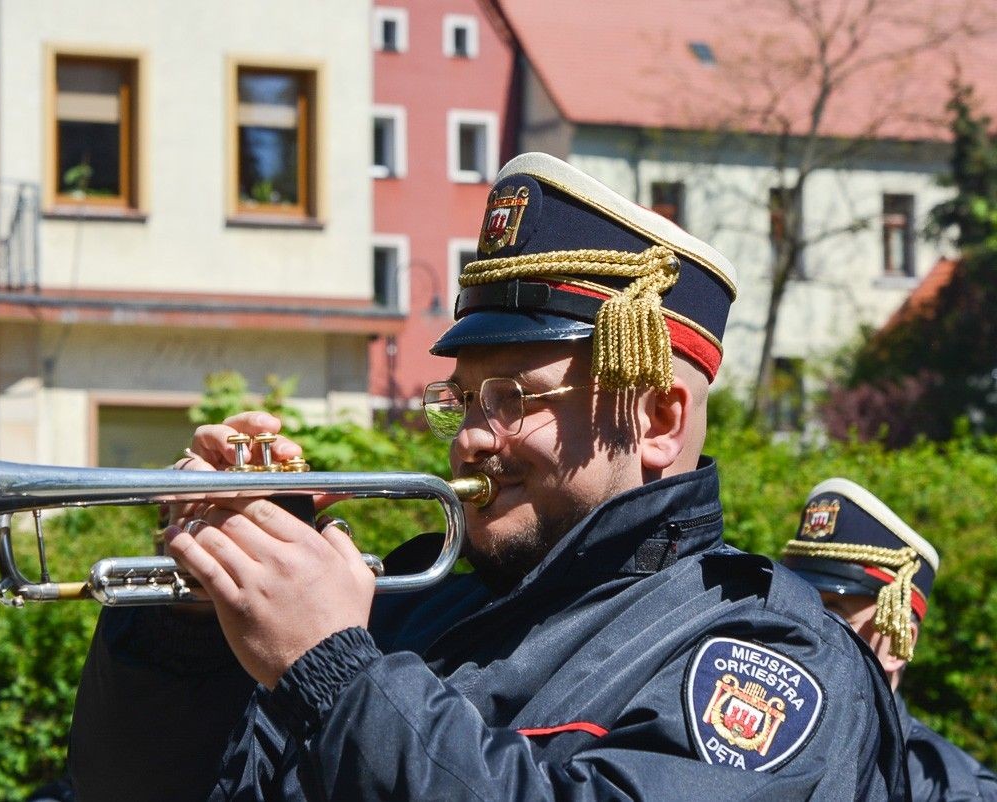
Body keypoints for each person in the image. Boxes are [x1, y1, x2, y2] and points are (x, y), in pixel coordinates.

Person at [67, 153, 907, 799]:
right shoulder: (405, 602)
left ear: (655, 420)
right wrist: (190, 633)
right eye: (462, 397)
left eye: (512, 397)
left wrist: (336, 671)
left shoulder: (765, 653)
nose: (471, 435)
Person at [784, 478, 997, 801]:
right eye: (801, 607)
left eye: (835, 617)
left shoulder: (952, 792)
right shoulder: (762, 738)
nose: (806, 629)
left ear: (899, 643)